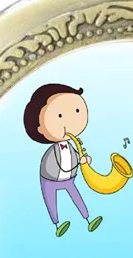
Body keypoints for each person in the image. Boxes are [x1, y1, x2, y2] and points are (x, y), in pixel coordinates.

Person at [23, 83, 103, 237]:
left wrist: (83, 160)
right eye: (59, 116)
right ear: (40, 128)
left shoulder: (72, 146)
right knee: (51, 201)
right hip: (50, 180)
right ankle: (57, 224)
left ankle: (88, 218)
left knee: (76, 196)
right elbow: (50, 167)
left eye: (77, 111)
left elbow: (75, 157)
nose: (70, 122)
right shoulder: (52, 152)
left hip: (69, 179)